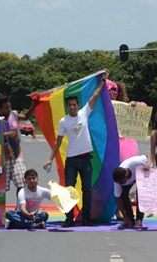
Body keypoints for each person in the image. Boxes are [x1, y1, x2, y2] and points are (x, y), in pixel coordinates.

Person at [43, 71, 107, 226]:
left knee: (87, 189)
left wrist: (102, 82)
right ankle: (69, 218)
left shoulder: (84, 113)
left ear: (78, 105)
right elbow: (58, 142)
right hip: (71, 160)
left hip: (86, 158)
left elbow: (95, 97)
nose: (72, 107)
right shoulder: (63, 122)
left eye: (74, 105)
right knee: (69, 189)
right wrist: (49, 159)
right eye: (69, 105)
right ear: (67, 107)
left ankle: (86, 218)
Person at [0, 95, 28, 197]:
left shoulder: (13, 114)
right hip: (3, 159)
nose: (9, 109)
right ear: (0, 109)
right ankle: (0, 210)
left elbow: (26, 117)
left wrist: (34, 104)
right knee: (1, 187)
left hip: (16, 157)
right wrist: (7, 135)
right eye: (6, 108)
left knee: (22, 183)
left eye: (9, 107)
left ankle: (20, 207)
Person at [112, 154, 149, 229]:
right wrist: (125, 217)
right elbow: (118, 199)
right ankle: (130, 219)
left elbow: (147, 158)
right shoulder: (117, 182)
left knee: (141, 194)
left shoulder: (136, 163)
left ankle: (139, 219)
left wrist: (149, 167)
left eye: (122, 182)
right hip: (132, 178)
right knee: (123, 195)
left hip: (140, 174)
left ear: (126, 175)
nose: (121, 184)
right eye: (119, 183)